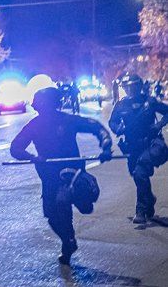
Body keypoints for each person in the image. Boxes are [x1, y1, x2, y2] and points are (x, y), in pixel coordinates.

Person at [11, 87, 113, 264]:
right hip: (49, 175)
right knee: (51, 215)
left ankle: (82, 197)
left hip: (72, 172)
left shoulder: (68, 120)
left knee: (63, 201)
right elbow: (15, 148)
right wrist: (33, 157)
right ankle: (68, 240)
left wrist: (105, 145)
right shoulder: (34, 125)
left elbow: (96, 127)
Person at [108, 74, 168, 224]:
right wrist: (118, 128)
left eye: (133, 86)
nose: (130, 89)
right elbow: (112, 122)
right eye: (127, 87)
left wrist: (158, 125)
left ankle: (140, 210)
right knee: (137, 176)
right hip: (132, 146)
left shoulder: (150, 102)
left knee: (140, 171)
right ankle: (149, 200)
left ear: (139, 86)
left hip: (151, 143)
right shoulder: (121, 105)